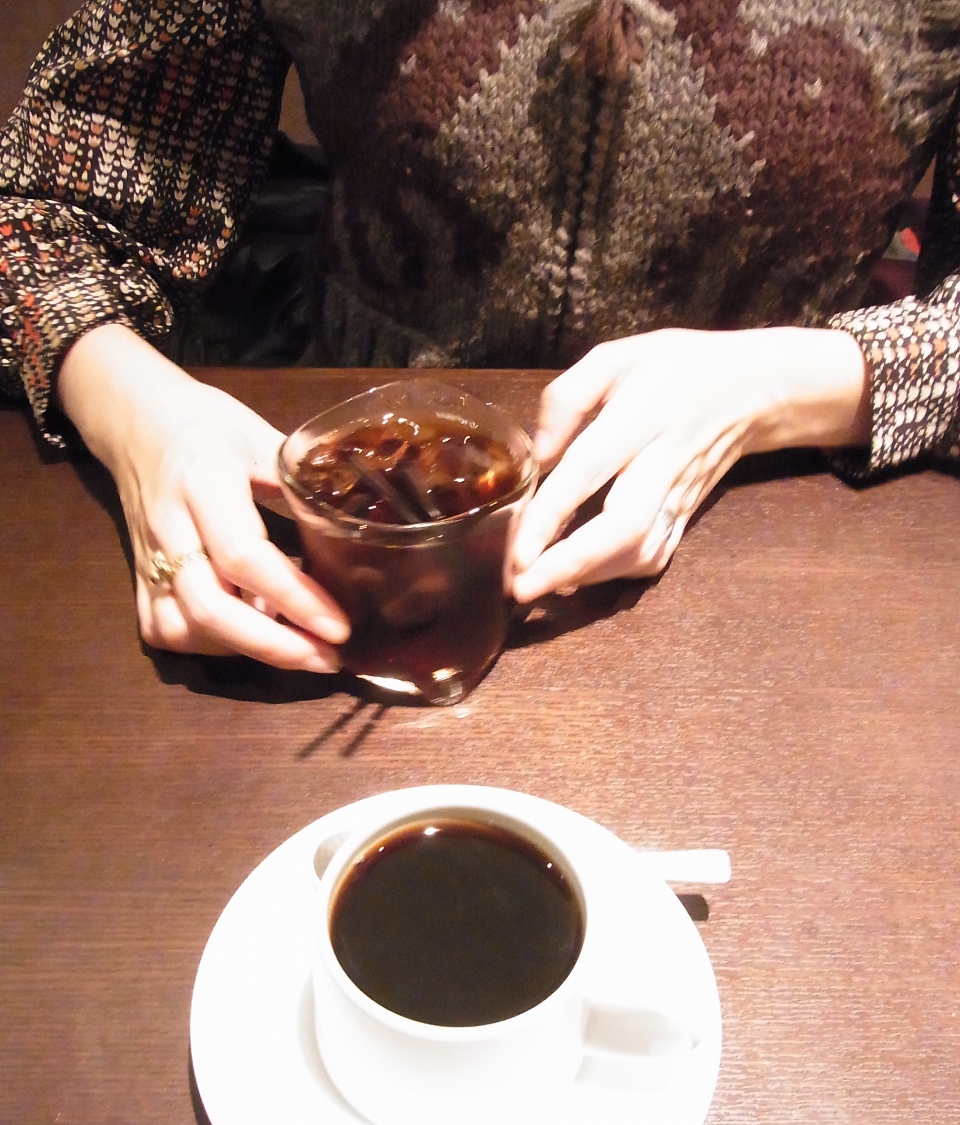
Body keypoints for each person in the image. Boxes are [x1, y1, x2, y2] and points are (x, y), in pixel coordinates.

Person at [2, 0, 959, 673]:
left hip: (777, 566)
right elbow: (35, 209)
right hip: (331, 551)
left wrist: (782, 384)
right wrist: (138, 412)